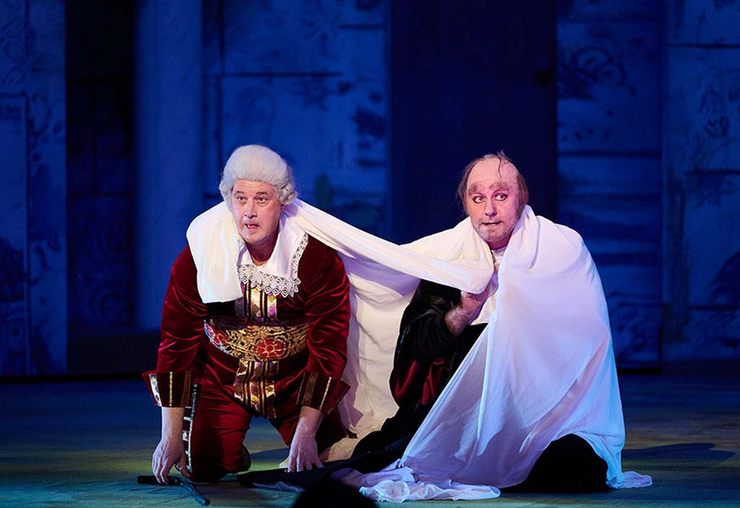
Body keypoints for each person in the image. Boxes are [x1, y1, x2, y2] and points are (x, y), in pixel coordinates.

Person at [143, 145, 351, 484]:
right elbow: (176, 340)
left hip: (294, 381)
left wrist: (307, 431)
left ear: (283, 200)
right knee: (203, 468)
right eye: (240, 199)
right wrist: (170, 435)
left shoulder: (315, 257)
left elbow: (329, 345)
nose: (249, 212)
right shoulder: (201, 250)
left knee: (330, 460)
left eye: (261, 199)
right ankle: (223, 448)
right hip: (224, 378)